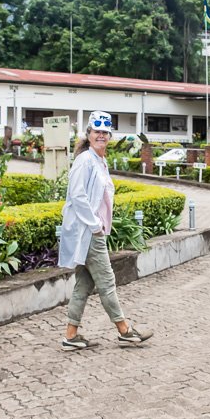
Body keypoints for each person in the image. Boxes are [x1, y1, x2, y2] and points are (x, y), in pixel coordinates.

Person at [58, 110, 153, 350]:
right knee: (107, 281)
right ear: (89, 134)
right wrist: (94, 225)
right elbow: (77, 195)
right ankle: (125, 330)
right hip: (89, 233)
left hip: (93, 231)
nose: (101, 135)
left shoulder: (99, 161)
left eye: (105, 132)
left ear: (109, 136)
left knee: (84, 283)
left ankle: (70, 336)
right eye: (97, 131)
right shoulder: (85, 160)